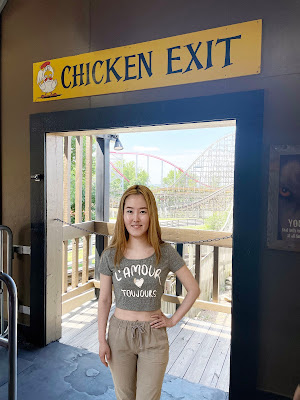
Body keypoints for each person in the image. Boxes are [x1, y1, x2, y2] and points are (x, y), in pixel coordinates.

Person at [98, 184, 200, 400]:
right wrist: (101, 340)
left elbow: (193, 289)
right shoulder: (110, 254)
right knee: (124, 397)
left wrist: (172, 320)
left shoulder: (165, 253)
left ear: (151, 214)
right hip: (119, 336)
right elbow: (105, 299)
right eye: (130, 211)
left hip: (153, 337)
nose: (136, 218)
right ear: (122, 214)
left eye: (142, 211)